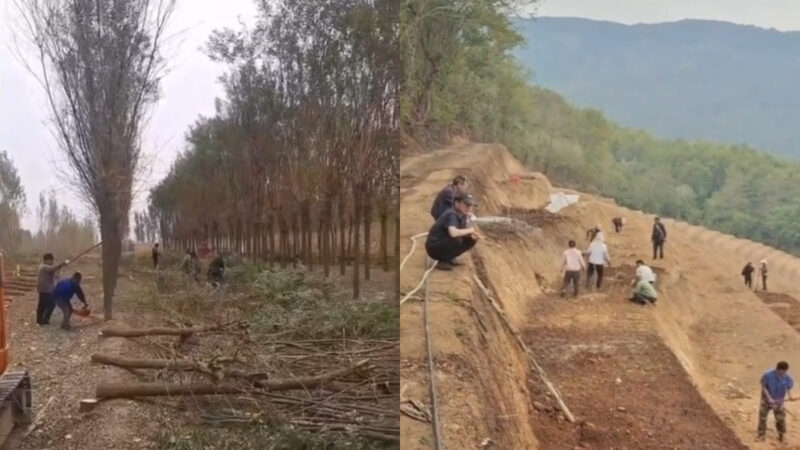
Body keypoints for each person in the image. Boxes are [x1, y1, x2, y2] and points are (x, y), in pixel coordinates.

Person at [425, 194, 482, 271]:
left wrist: (470, 235)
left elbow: (461, 231)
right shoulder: (451, 214)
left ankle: (448, 258)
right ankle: (442, 261)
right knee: (456, 238)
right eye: (466, 205)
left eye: (470, 206)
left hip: (443, 243)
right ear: (457, 203)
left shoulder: (463, 215)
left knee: (471, 239)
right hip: (433, 247)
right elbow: (453, 233)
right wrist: (470, 230)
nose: (469, 208)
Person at [758, 361, 797, 442]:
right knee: (763, 417)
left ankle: (781, 435)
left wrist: (791, 397)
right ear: (777, 369)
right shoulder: (767, 375)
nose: (783, 374)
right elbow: (764, 387)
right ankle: (761, 435)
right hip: (766, 400)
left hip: (779, 401)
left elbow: (788, 389)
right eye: (782, 372)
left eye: (785, 372)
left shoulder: (788, 378)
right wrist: (769, 398)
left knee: (780, 418)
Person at [36, 253, 69, 325]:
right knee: (51, 304)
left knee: (42, 305)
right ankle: (45, 320)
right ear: (47, 260)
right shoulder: (44, 267)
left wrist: (60, 267)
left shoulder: (44, 267)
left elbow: (54, 271)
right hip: (45, 290)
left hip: (43, 289)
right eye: (51, 260)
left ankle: (39, 320)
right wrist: (63, 263)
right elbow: (52, 268)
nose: (52, 262)